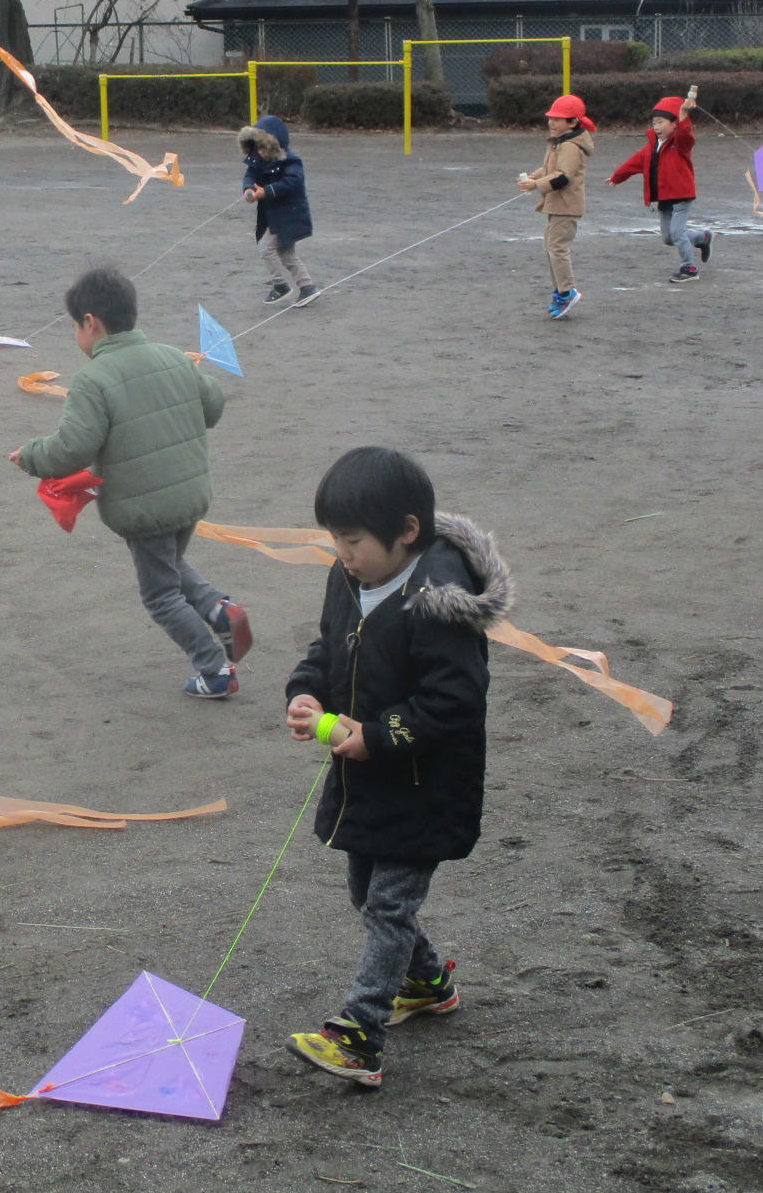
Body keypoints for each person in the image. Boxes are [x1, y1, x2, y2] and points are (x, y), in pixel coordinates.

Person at [283, 446, 512, 1089]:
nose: (342, 553)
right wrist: (307, 691)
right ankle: (427, 980)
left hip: (425, 785)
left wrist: (378, 738)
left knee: (387, 907)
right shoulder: (348, 576)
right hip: (368, 777)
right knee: (366, 894)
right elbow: (329, 645)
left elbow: (455, 701)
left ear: (407, 531)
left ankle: (359, 1035)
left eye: (352, 540)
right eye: (335, 539)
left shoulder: (439, 601)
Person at [10, 266, 252, 700]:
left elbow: (72, 449)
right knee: (169, 563)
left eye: (74, 326)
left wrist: (30, 455)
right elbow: (213, 406)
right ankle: (219, 609)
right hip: (189, 492)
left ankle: (215, 669)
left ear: (91, 323)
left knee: (160, 594)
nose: (76, 336)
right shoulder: (172, 356)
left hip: (145, 506)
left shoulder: (93, 379)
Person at [609, 91, 711, 284]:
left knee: (677, 233)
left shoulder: (681, 144)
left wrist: (683, 115)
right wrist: (617, 177)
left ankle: (689, 268)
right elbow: (635, 163)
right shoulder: (652, 146)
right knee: (668, 238)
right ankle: (702, 237)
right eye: (654, 122)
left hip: (682, 196)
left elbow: (685, 134)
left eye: (661, 122)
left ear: (674, 124)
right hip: (663, 197)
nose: (656, 126)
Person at [517, 94, 593, 319]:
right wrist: (532, 178)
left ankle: (567, 292)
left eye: (558, 119)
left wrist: (536, 185)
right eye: (550, 118)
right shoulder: (559, 143)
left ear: (573, 123)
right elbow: (549, 168)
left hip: (566, 206)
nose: (551, 122)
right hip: (556, 205)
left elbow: (563, 177)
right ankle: (560, 291)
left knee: (557, 248)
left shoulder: (570, 146)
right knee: (550, 247)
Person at [238, 113, 318, 307]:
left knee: (266, 248)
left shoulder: (291, 161)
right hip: (273, 216)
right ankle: (307, 287)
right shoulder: (259, 160)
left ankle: (280, 285)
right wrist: (249, 189)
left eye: (265, 148)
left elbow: (293, 181)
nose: (261, 152)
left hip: (289, 215)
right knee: (287, 254)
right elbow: (250, 175)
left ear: (276, 146)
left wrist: (267, 191)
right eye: (258, 147)